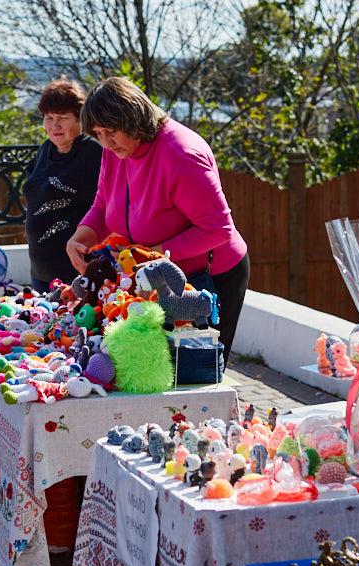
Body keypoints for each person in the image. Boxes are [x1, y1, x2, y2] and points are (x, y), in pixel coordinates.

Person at [65, 76, 250, 364]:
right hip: (151, 275)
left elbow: (217, 229)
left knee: (194, 374)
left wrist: (152, 255)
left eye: (110, 131)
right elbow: (104, 204)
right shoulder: (115, 149)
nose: (105, 142)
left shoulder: (181, 154)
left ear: (133, 119)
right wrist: (81, 237)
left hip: (207, 278)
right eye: (97, 134)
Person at [23, 79, 101, 288]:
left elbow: (107, 209)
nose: (54, 125)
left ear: (80, 119)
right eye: (49, 118)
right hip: (40, 271)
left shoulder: (94, 154)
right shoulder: (44, 151)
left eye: (63, 118)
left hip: (77, 272)